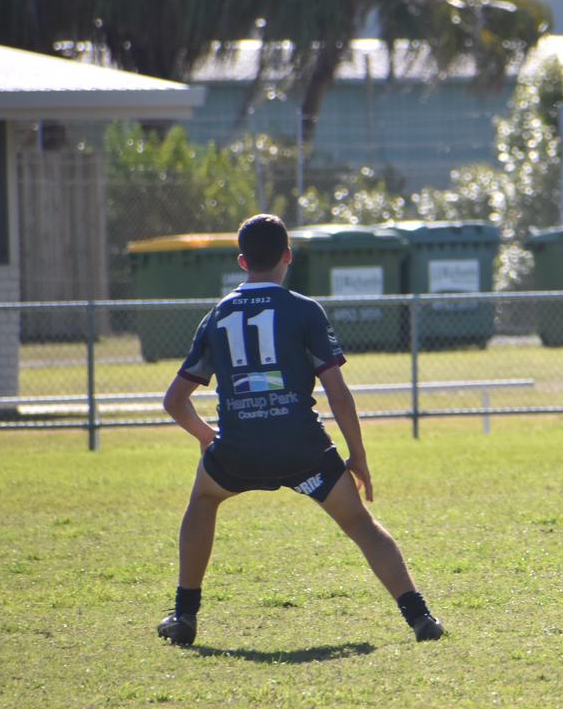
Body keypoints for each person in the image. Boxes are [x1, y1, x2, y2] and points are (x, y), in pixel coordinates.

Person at [156, 214, 444, 645]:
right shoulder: (304, 310)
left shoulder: (216, 317)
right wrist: (358, 455)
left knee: (203, 499)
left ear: (241, 261)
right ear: (287, 257)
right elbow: (338, 394)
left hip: (239, 448)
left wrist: (206, 437)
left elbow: (174, 401)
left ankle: (184, 618)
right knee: (362, 525)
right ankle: (420, 618)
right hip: (303, 447)